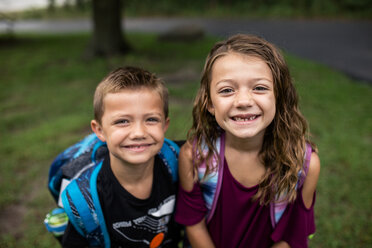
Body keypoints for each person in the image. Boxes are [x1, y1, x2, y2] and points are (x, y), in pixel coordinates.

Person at [175, 34, 320, 248]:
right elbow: (194, 225)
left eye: (259, 88)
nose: (243, 101)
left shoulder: (304, 164)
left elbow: (293, 237)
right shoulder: (195, 156)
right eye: (227, 90)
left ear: (279, 97)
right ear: (209, 103)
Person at [61, 66, 182, 247]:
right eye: (122, 121)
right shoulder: (87, 200)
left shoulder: (179, 160)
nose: (138, 133)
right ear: (99, 131)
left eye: (151, 119)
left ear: (165, 125)